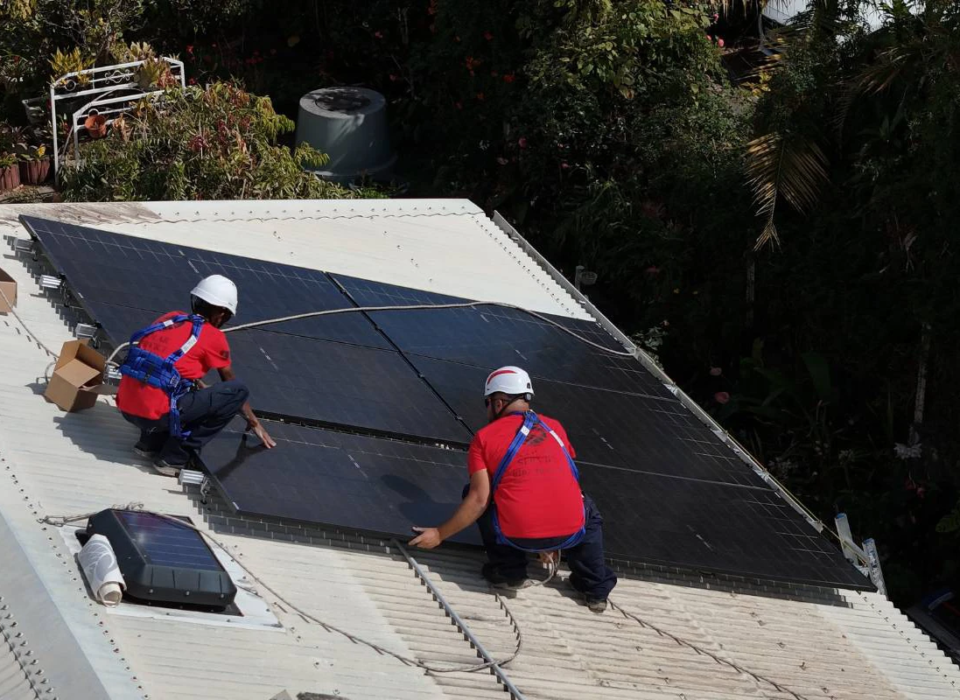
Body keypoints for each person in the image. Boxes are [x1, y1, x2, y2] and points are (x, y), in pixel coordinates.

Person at [410, 366, 617, 612]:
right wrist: (552, 541)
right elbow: (560, 481)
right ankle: (595, 589)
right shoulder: (555, 428)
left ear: (498, 402)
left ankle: (509, 571)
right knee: (587, 510)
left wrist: (440, 534)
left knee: (473, 492)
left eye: (487, 403)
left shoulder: (484, 438)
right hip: (569, 532)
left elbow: (479, 500)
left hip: (519, 534)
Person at [116, 274, 276, 477]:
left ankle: (149, 444)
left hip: (126, 407)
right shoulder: (214, 337)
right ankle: (173, 458)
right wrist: (254, 423)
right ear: (221, 312)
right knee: (237, 392)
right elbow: (231, 383)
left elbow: (166, 362)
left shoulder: (170, 318)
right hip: (155, 416)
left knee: (173, 383)